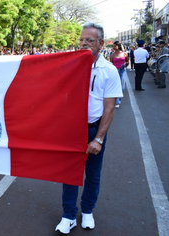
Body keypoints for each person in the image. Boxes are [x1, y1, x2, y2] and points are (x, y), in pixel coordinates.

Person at [55, 23, 123, 234]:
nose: (84, 43)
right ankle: (68, 215)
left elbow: (109, 108)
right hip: (71, 131)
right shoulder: (70, 66)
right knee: (69, 174)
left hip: (94, 130)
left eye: (90, 40)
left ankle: (87, 212)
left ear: (101, 44)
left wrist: (99, 139)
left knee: (92, 174)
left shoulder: (109, 71)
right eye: (82, 40)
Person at [110, 41, 128, 108]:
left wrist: (125, 64)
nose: (113, 47)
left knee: (122, 86)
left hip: (123, 70)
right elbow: (111, 63)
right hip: (115, 71)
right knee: (116, 85)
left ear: (119, 46)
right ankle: (117, 101)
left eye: (115, 46)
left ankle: (119, 97)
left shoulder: (124, 54)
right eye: (113, 46)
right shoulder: (112, 55)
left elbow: (127, 62)